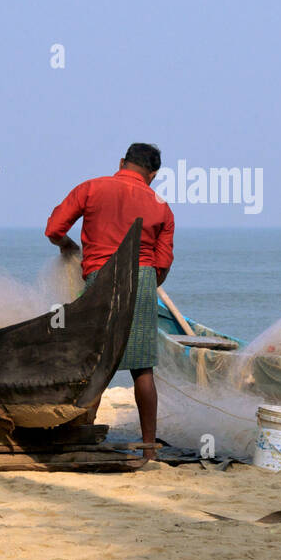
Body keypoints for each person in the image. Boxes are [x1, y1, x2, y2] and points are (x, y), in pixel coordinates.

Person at [45, 143, 174, 460]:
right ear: (153, 174)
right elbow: (163, 263)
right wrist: (146, 284)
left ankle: (82, 435)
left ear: (122, 162)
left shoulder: (91, 188)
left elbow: (53, 229)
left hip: (99, 278)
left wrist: (66, 245)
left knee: (95, 364)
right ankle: (148, 448)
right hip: (141, 278)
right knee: (143, 370)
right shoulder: (161, 205)